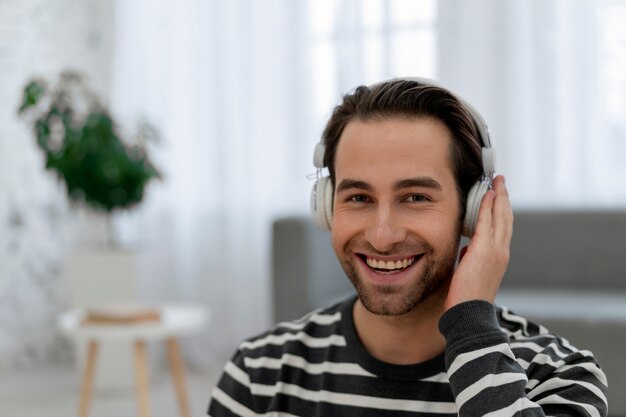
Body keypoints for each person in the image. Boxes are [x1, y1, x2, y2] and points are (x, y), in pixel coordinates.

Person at [207, 78, 608, 416]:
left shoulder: (559, 378)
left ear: (473, 211)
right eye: (359, 198)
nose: (382, 236)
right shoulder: (260, 372)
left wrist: (471, 324)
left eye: (415, 197)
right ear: (327, 207)